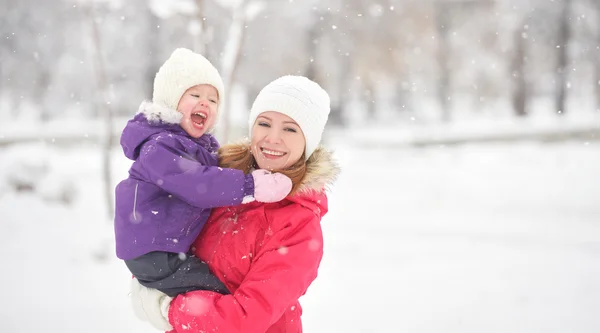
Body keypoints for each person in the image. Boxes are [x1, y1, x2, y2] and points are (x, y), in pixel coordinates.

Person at [130, 75, 340, 333]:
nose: (272, 138)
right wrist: (149, 273)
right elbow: (164, 233)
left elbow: (242, 320)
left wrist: (167, 309)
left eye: (290, 129)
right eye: (264, 123)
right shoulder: (219, 181)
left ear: (308, 141)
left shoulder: (298, 225)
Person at [114, 48, 293, 298]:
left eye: (213, 99)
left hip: (166, 249)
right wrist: (249, 186)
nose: (204, 103)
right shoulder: (160, 146)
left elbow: (217, 170)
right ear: (170, 100)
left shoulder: (198, 145)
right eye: (195, 94)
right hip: (152, 252)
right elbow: (197, 183)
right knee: (214, 295)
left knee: (210, 292)